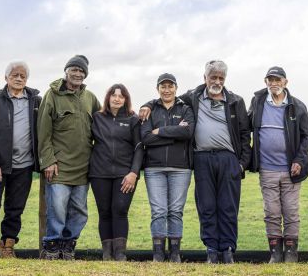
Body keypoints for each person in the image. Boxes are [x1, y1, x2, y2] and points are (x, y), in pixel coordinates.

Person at [140, 60, 251, 264]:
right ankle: (211, 250)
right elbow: (166, 98)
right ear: (205, 78)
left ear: (225, 79)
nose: (217, 81)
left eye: (221, 78)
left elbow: (245, 134)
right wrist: (147, 105)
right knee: (206, 206)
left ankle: (227, 250)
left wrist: (242, 163)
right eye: (213, 77)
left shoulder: (236, 101)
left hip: (228, 159)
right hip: (201, 158)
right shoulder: (193, 97)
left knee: (228, 206)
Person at [37, 55, 101, 260]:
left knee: (79, 211)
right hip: (59, 166)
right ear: (66, 71)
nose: (78, 74)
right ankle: (52, 247)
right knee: (56, 209)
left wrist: (137, 111)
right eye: (74, 69)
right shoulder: (52, 95)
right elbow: (43, 132)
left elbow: (106, 118)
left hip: (84, 166)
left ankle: (68, 247)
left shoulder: (90, 97)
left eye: (82, 71)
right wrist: (48, 160)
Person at [0, 61, 42, 259]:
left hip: (24, 165)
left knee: (15, 208)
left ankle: (7, 246)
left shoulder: (36, 101)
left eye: (23, 75)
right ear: (6, 78)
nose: (19, 78)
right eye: (15, 75)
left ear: (27, 79)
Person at [248, 66, 308, 263]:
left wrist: (299, 161)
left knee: (291, 211)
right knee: (272, 212)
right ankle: (275, 252)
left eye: (277, 80)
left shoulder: (297, 106)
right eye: (270, 80)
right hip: (267, 169)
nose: (274, 83)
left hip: (291, 171)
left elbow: (306, 137)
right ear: (266, 82)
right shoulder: (258, 102)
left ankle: (291, 253)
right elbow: (244, 126)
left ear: (285, 82)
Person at [140, 73, 194, 263]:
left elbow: (187, 132)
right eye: (163, 86)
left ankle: (175, 252)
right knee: (159, 211)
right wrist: (174, 135)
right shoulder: (150, 110)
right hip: (154, 169)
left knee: (175, 211)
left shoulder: (185, 108)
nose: (167, 90)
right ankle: (158, 253)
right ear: (158, 89)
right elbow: (146, 137)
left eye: (170, 86)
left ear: (176, 88)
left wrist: (161, 132)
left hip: (181, 169)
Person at [89, 84, 143, 261]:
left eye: (121, 96)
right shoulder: (97, 117)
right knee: (104, 212)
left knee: (120, 210)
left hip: (124, 174)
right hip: (99, 173)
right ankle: (107, 253)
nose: (117, 99)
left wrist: (133, 172)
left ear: (126, 99)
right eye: (114, 95)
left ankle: (120, 253)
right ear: (108, 97)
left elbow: (139, 147)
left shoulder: (132, 119)